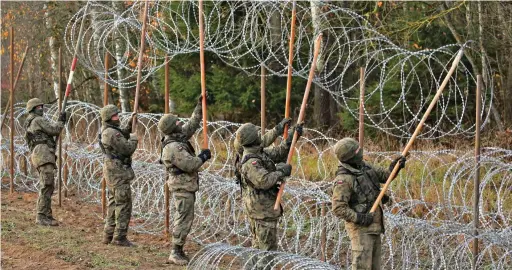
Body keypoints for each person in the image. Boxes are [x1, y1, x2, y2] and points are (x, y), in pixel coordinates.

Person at [236, 120, 302, 269]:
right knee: (267, 251)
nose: (261, 135)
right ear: (253, 139)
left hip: (262, 208)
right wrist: (280, 172)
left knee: (260, 246)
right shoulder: (251, 161)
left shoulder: (258, 152)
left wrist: (292, 136)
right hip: (262, 211)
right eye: (257, 133)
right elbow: (264, 181)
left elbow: (279, 153)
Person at [331, 138, 406, 270]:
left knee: (375, 267)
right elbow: (338, 208)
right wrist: (359, 218)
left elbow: (385, 176)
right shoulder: (343, 180)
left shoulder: (364, 166)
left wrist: (395, 167)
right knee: (362, 267)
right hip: (361, 231)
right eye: (356, 151)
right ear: (349, 156)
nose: (360, 152)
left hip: (375, 226)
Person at [158, 94, 211, 265]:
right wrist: (203, 157)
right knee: (183, 217)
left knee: (184, 216)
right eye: (177, 122)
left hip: (185, 185)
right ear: (172, 128)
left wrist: (200, 106)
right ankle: (176, 251)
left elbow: (192, 125)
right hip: (182, 186)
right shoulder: (173, 147)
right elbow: (190, 165)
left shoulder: (177, 137)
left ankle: (178, 248)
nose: (181, 123)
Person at [98, 105, 138, 247]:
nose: (118, 117)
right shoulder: (111, 133)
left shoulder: (109, 130)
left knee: (113, 202)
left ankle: (108, 234)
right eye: (115, 116)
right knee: (123, 203)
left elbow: (121, 135)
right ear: (109, 118)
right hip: (118, 172)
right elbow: (127, 149)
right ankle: (119, 237)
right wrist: (134, 139)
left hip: (112, 171)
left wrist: (129, 125)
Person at [25, 98, 66, 226]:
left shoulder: (31, 121)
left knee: (48, 185)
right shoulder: (37, 120)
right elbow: (54, 130)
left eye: (42, 106)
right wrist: (61, 120)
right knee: (47, 185)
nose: (41, 109)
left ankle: (47, 215)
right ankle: (41, 216)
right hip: (43, 155)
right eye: (38, 107)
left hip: (41, 155)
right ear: (32, 109)